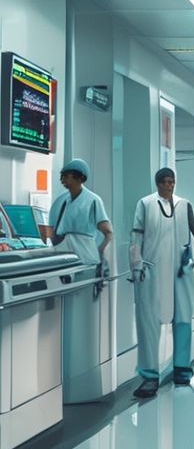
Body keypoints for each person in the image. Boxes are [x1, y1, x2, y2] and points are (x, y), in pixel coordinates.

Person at [129, 168, 194, 398]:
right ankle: (150, 377)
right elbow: (136, 237)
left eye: (172, 181)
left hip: (181, 269)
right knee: (148, 324)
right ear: (157, 183)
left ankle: (182, 369)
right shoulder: (145, 204)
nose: (169, 185)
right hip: (151, 269)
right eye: (164, 181)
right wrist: (136, 264)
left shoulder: (185, 204)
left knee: (183, 319)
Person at [47, 159, 113, 401]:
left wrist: (99, 253)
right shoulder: (62, 201)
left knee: (82, 318)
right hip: (64, 255)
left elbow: (107, 231)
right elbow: (53, 231)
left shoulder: (93, 200)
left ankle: (84, 377)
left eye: (66, 176)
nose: (63, 180)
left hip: (84, 257)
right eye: (63, 176)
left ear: (78, 178)